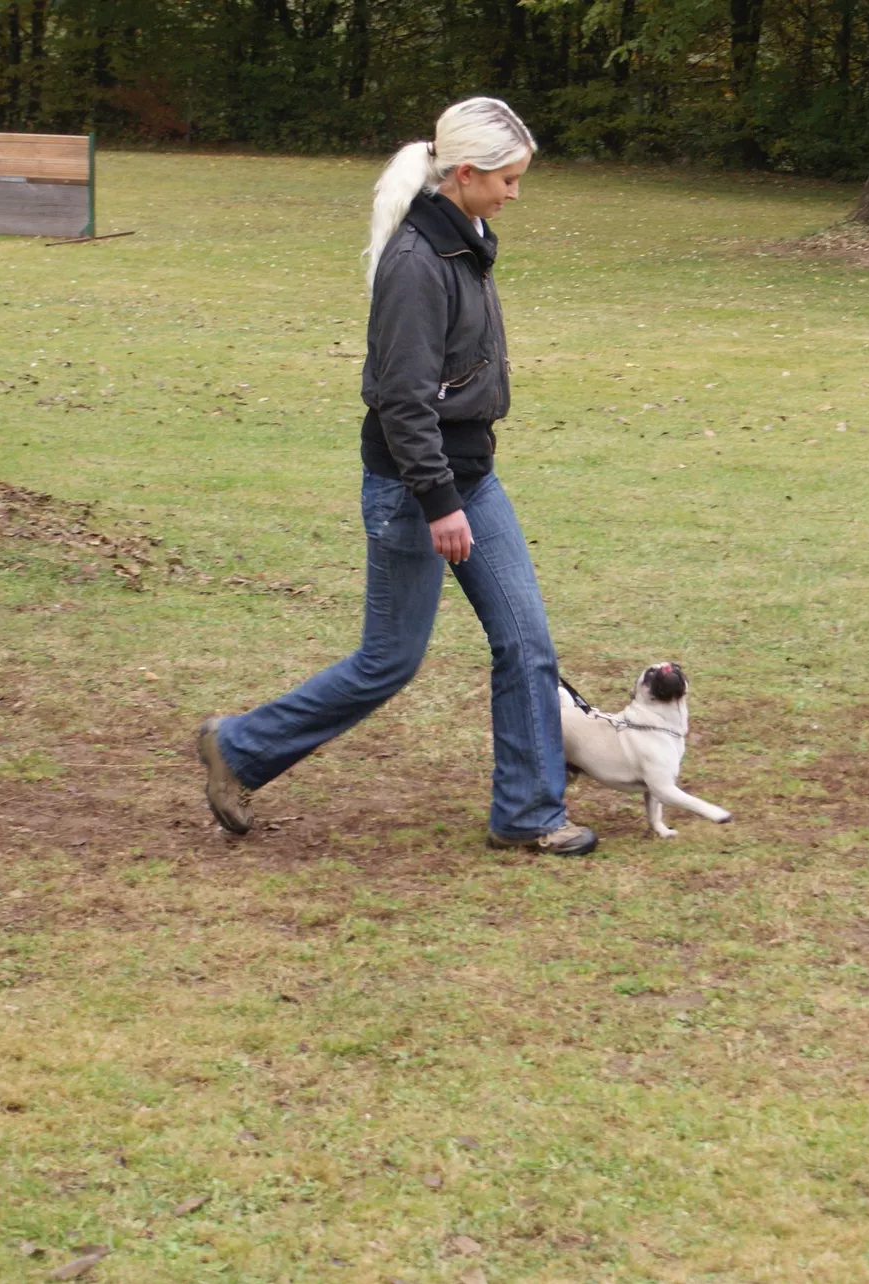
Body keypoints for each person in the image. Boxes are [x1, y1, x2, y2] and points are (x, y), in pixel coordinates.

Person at [195, 97, 597, 857]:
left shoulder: (465, 241)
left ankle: (528, 811)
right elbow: (403, 401)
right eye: (508, 179)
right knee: (389, 660)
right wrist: (439, 502)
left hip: (469, 475)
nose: (516, 193)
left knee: (526, 642)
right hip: (417, 489)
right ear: (466, 174)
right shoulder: (417, 262)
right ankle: (239, 747)